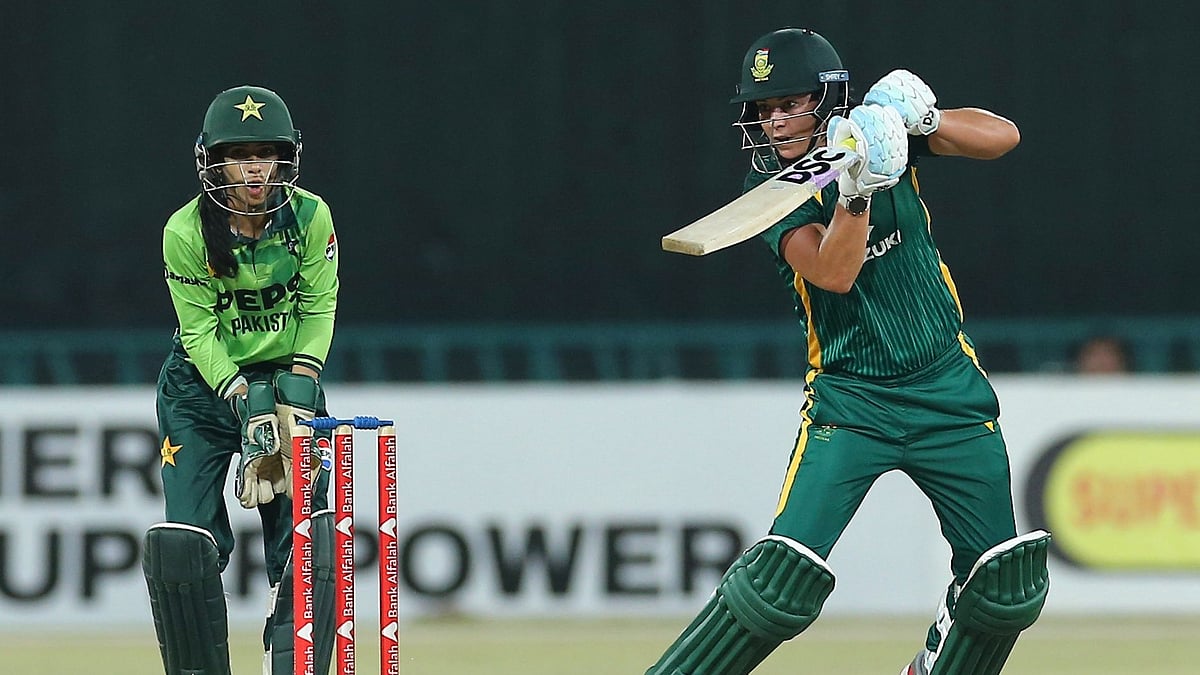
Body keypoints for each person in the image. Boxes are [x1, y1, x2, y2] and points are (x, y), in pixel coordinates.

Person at [645, 28, 1050, 675]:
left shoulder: (882, 135)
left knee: (1004, 585)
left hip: (947, 386)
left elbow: (1004, 137)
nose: (774, 121)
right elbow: (834, 272)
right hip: (850, 401)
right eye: (764, 109)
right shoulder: (773, 193)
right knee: (776, 586)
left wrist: (925, 119)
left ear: (828, 98)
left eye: (789, 103)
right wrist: (857, 192)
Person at [142, 84, 340, 675]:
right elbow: (198, 331)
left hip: (288, 383)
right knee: (185, 544)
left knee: (308, 539)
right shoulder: (185, 230)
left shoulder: (311, 215)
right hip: (203, 391)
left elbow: (318, 306)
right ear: (214, 159)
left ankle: (293, 662)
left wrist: (298, 390)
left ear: (285, 158)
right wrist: (240, 396)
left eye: (266, 154)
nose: (254, 168)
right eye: (239, 154)